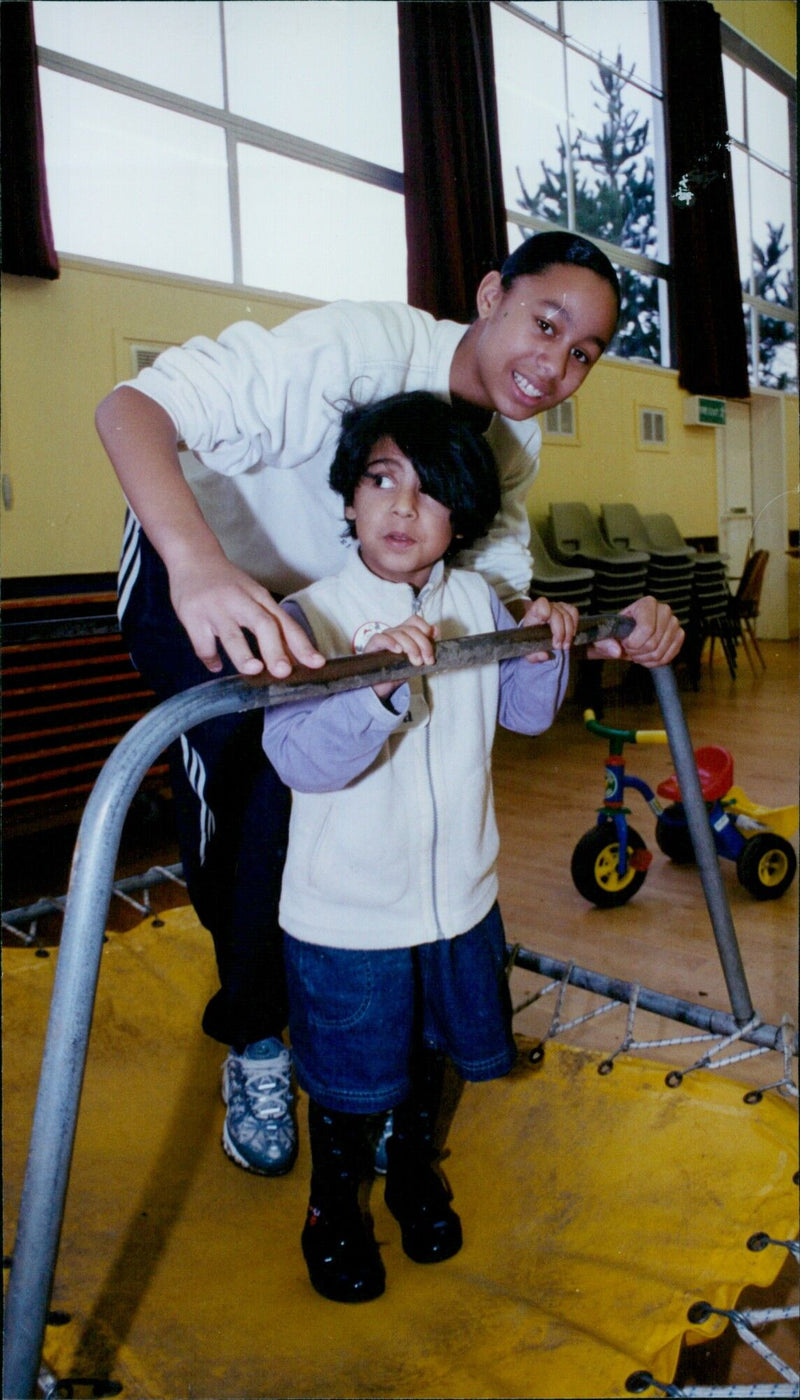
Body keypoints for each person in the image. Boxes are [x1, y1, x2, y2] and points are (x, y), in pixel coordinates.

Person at [95, 232, 684, 1179]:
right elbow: (131, 408)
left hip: (350, 619)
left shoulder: (510, 439)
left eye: (584, 353)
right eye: (545, 324)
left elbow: (491, 592)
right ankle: (253, 1039)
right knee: (253, 806)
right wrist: (199, 566)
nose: (556, 365)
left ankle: (357, 1041)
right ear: (490, 293)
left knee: (347, 793)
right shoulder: (357, 353)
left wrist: (588, 627)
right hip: (208, 575)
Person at [261, 390, 580, 1302]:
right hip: (349, 913)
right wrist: (376, 692)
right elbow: (298, 761)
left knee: (433, 1053)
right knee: (353, 1079)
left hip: (460, 899)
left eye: (430, 490)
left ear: (461, 514)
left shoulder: (476, 596)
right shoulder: (311, 615)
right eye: (382, 479)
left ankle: (411, 1175)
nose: (403, 507)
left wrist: (541, 648)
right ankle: (336, 1203)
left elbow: (520, 720)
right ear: (350, 497)